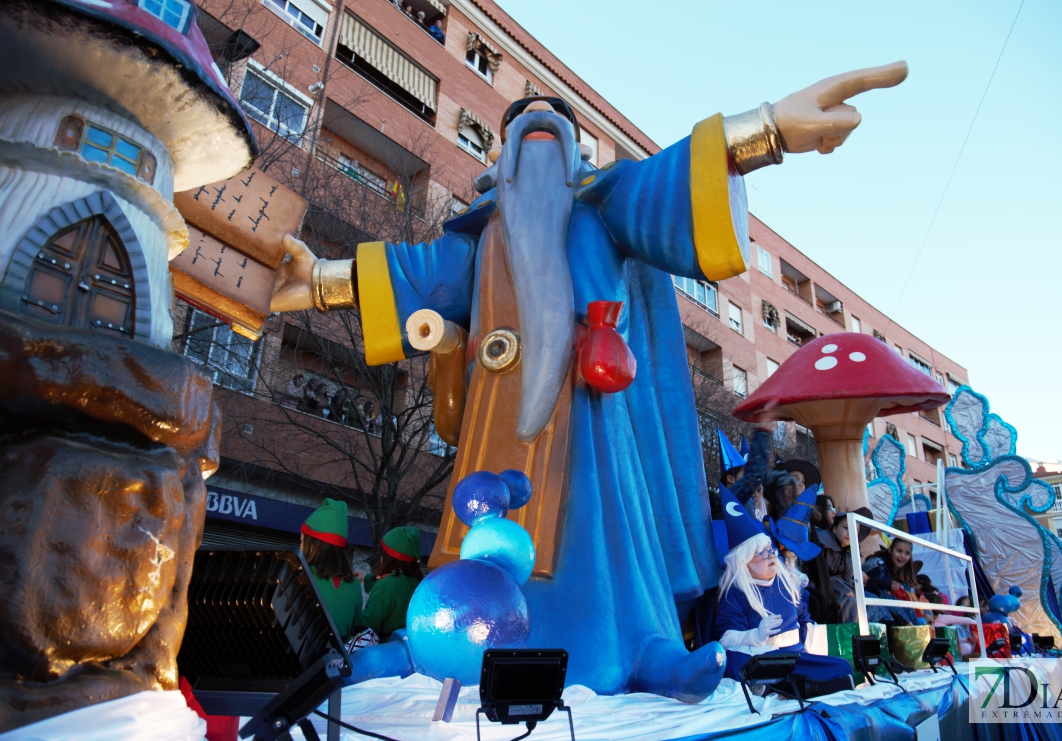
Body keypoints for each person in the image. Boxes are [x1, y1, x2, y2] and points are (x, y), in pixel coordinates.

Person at [270, 64, 912, 698]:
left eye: (555, 125)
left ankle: (643, 648)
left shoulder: (606, 204)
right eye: (519, 124)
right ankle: (435, 646)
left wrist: (765, 129)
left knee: (608, 534)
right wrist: (321, 281)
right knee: (479, 532)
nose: (536, 129)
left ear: (578, 154)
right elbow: (410, 277)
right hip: (497, 417)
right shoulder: (479, 236)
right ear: (503, 157)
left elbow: (673, 184)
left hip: (591, 411)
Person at [715, 485, 852, 696]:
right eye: (761, 553)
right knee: (737, 661)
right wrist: (755, 635)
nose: (771, 556)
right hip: (762, 658)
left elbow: (804, 618)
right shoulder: (735, 594)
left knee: (842, 667)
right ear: (744, 562)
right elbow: (726, 639)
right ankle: (786, 686)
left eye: (770, 550)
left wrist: (811, 641)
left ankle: (796, 685)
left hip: (794, 658)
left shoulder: (786, 583)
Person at [300, 498, 363, 639]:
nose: (300, 547)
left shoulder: (300, 577)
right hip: (340, 659)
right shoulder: (353, 585)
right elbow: (355, 628)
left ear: (312, 545)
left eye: (302, 541)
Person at [360, 527, 423, 642]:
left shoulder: (386, 584)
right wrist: (366, 577)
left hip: (386, 648)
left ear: (389, 558)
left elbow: (368, 622)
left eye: (382, 554)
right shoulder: (417, 583)